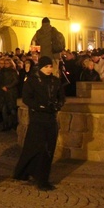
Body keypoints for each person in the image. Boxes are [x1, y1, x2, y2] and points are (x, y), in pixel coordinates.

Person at [13, 56, 66, 191]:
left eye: (50, 67)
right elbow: (27, 98)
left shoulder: (55, 81)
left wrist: (58, 105)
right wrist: (39, 106)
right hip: (37, 118)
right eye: (46, 67)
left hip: (50, 118)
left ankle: (42, 177)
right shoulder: (33, 80)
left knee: (48, 148)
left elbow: (61, 96)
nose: (49, 69)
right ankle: (31, 174)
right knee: (36, 147)